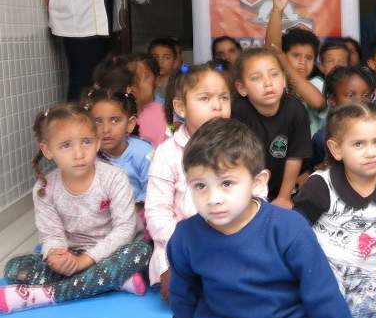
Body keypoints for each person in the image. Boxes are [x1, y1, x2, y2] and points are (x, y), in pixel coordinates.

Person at [162, 118, 376, 318]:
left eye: (227, 183)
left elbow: (321, 292)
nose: (213, 198)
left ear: (258, 182)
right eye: (200, 186)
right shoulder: (185, 236)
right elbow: (183, 298)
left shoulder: (288, 227)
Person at [1, 103, 149, 313]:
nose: (79, 153)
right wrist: (57, 255)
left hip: (115, 252)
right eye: (66, 145)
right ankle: (111, 280)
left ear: (97, 143)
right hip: (74, 253)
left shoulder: (114, 177)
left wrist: (84, 262)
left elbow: (125, 230)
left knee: (142, 251)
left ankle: (46, 295)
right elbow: (51, 234)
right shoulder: (44, 189)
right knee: (15, 266)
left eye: (86, 142)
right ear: (47, 150)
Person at [294, 103, 376, 318]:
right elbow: (293, 233)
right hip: (323, 265)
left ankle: (321, 311)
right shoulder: (321, 185)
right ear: (336, 148)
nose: (371, 152)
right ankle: (322, 304)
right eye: (358, 144)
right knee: (330, 287)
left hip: (365, 275)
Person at [146, 62, 232, 299]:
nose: (217, 106)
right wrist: (189, 241)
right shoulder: (166, 153)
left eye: (224, 98)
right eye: (205, 98)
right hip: (180, 242)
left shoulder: (238, 146)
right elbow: (157, 212)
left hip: (230, 238)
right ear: (180, 107)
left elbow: (254, 196)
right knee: (175, 291)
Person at [231, 48, 312, 207]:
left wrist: (284, 197)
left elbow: (295, 157)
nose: (268, 83)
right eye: (256, 78)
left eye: (274, 75)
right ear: (242, 88)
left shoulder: (295, 110)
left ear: (283, 80)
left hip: (283, 187)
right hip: (246, 189)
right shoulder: (237, 111)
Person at [265, 0, 326, 133]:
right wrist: (277, 10)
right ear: (284, 55)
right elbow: (273, 49)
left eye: (309, 58)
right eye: (296, 55)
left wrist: (284, 62)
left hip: (309, 153)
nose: (302, 62)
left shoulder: (317, 82)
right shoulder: (275, 82)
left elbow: (317, 101)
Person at [86, 87, 152, 208]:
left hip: (139, 217)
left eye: (115, 120)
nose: (106, 129)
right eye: (98, 121)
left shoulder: (144, 153)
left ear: (130, 124)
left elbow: (152, 194)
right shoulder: (87, 156)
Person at [308, 66, 376, 170]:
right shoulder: (321, 139)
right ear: (332, 100)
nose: (360, 101)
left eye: (366, 95)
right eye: (351, 95)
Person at [93, 53, 167, 146]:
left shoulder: (158, 112)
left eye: (145, 76)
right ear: (129, 88)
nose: (106, 129)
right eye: (143, 77)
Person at [149, 38, 182, 102]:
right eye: (155, 57)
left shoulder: (180, 86)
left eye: (167, 58)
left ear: (175, 61)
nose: (160, 62)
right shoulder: (145, 86)